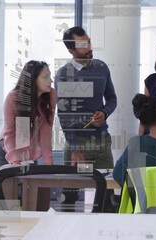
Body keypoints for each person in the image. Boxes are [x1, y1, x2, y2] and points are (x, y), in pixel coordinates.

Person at [55, 26, 117, 212]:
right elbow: (64, 115)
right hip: (78, 146)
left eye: (89, 41)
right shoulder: (65, 75)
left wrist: (104, 113)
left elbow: (112, 99)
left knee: (107, 197)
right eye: (83, 45)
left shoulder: (101, 67)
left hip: (102, 145)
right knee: (70, 199)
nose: (89, 47)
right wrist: (75, 149)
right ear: (71, 51)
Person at [0, 60, 56, 168]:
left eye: (50, 76)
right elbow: (10, 133)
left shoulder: (51, 95)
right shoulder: (13, 98)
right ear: (32, 79)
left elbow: (46, 131)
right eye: (46, 77)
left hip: (29, 152)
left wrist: (49, 164)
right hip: (8, 149)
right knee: (4, 184)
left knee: (31, 184)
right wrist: (16, 162)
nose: (50, 81)